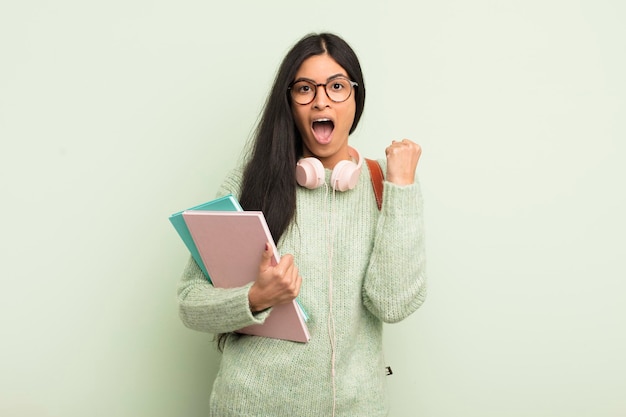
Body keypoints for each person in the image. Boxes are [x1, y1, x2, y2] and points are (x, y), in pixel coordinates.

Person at [177, 32, 427, 417]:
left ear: (356, 99)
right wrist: (256, 297)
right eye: (305, 89)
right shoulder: (250, 184)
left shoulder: (384, 186)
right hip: (252, 406)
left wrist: (403, 189)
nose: (321, 99)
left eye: (337, 86)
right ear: (290, 102)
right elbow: (190, 302)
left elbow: (391, 303)